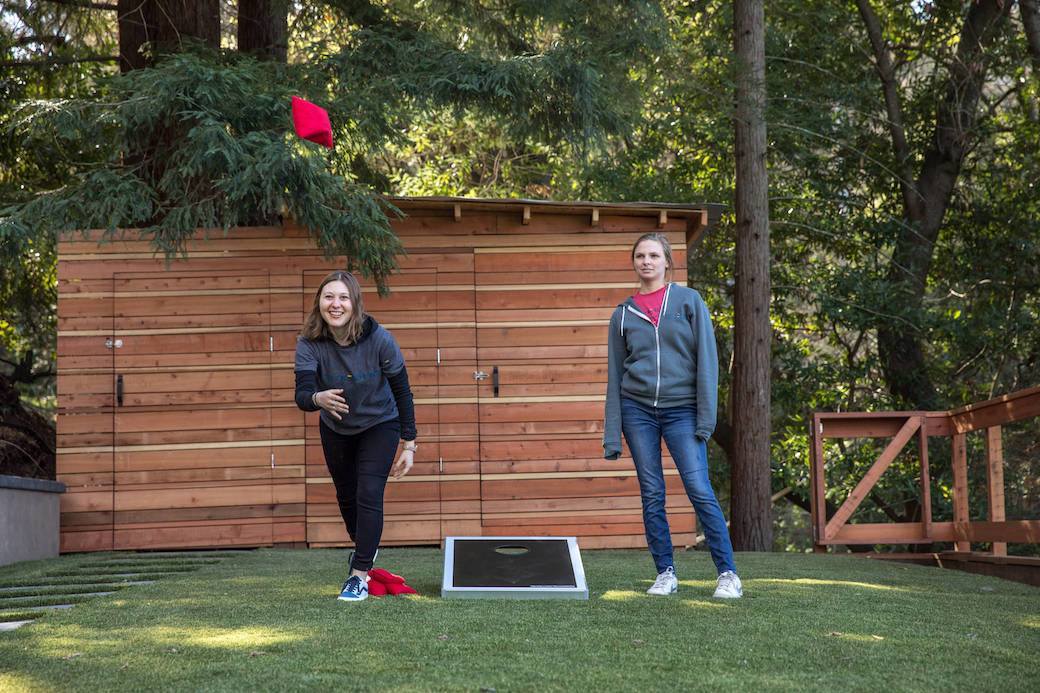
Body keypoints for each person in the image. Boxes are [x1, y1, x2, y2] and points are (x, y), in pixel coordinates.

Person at [603, 232, 742, 598]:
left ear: (667, 261)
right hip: (637, 412)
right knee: (652, 493)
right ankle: (665, 572)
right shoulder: (622, 314)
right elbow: (615, 375)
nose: (646, 261)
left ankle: (728, 574)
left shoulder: (689, 301)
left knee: (699, 489)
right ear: (633, 262)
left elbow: (707, 362)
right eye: (640, 256)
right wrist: (611, 433)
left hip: (682, 410)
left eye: (653, 255)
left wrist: (705, 419)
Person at [294, 270, 417, 602]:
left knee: (369, 491)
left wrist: (409, 443)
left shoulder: (379, 339)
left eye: (343, 297)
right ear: (319, 303)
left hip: (380, 423)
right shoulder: (309, 342)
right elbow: (303, 392)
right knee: (346, 497)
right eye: (329, 297)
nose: (336, 304)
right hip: (336, 426)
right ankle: (366, 549)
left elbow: (402, 391)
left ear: (355, 304)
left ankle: (358, 575)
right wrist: (317, 398)